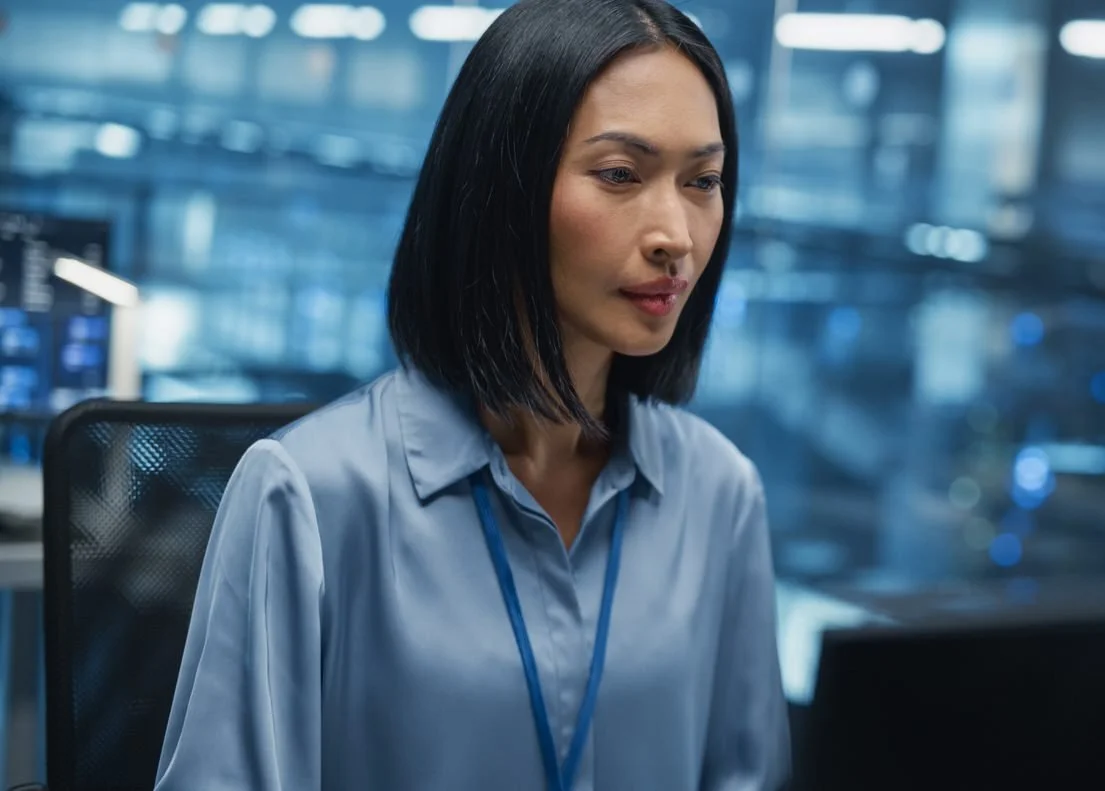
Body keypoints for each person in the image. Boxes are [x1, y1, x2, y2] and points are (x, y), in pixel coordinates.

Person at [154, 0, 790, 788]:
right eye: (620, 174)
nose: (678, 235)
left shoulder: (720, 494)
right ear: (502, 190)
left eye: (703, 180)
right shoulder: (312, 493)